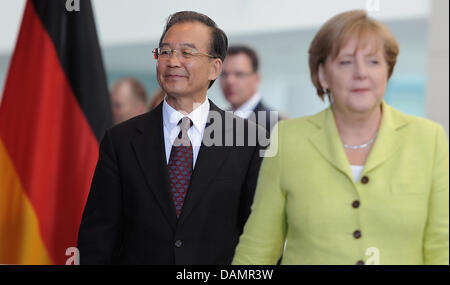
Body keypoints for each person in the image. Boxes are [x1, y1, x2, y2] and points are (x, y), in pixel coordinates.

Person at [232, 10, 449, 265]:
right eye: (346, 61)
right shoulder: (288, 140)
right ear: (323, 74)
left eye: (373, 61)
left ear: (387, 72)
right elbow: (258, 249)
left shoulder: (428, 138)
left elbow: (441, 246)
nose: (361, 72)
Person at [78, 11, 265, 265]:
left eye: (186, 53)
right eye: (165, 52)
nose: (172, 61)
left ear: (214, 67)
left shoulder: (247, 140)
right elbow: (98, 237)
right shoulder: (120, 140)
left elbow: (259, 237)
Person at [220, 45, 281, 133]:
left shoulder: (275, 125)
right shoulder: (214, 122)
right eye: (224, 74)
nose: (230, 81)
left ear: (256, 79)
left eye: (239, 74)